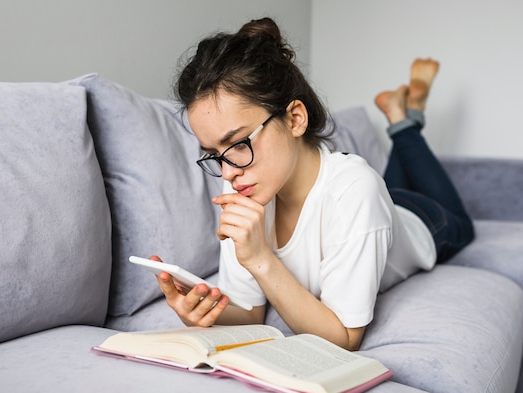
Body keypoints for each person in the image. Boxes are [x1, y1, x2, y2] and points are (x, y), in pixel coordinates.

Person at [153, 17, 474, 351]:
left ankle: (403, 123)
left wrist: (261, 258)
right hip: (375, 208)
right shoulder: (243, 182)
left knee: (463, 224)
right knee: (381, 190)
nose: (228, 172)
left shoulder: (355, 190)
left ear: (295, 118)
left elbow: (344, 339)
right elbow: (250, 311)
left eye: (237, 144)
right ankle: (405, 115)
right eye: (215, 154)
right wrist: (203, 312)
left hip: (423, 221)